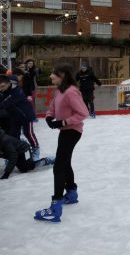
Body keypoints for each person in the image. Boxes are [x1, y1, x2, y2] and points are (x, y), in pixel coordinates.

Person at [34, 64, 89, 223]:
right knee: (64, 162)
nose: (51, 76)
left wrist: (63, 122)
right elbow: (52, 107)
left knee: (58, 166)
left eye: (54, 74)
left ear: (63, 75)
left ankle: (55, 207)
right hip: (65, 131)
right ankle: (71, 193)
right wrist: (50, 117)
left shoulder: (71, 92)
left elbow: (83, 113)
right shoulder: (59, 90)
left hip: (72, 131)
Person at [0, 74, 40, 160]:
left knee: (28, 133)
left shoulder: (16, 91)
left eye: (2, 86)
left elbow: (4, 104)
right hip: (14, 117)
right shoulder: (5, 91)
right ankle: (13, 155)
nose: (1, 89)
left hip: (26, 116)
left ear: (8, 83)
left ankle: (36, 149)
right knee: (13, 135)